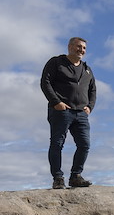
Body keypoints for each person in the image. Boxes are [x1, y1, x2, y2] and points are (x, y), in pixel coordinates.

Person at [41, 37, 96, 189]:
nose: (82, 50)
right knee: (57, 143)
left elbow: (93, 90)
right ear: (70, 47)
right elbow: (45, 82)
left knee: (84, 144)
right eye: (79, 46)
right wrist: (56, 102)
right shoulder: (56, 62)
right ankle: (58, 178)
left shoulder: (87, 69)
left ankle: (76, 176)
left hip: (81, 113)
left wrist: (90, 107)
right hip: (61, 111)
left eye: (84, 48)